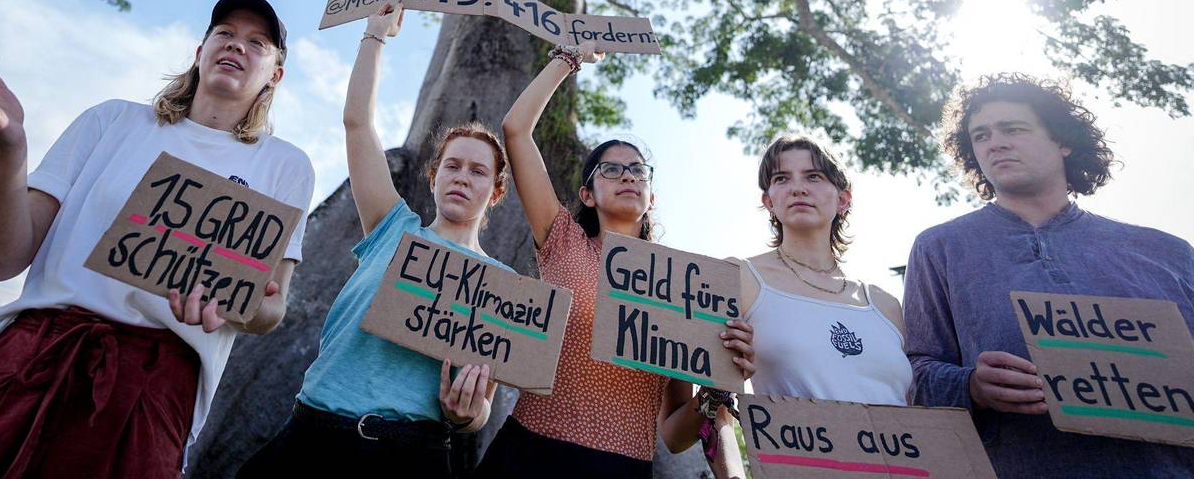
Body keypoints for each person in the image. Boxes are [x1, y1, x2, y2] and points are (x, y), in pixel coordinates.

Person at [0, 0, 315, 479]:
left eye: (257, 43)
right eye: (224, 33)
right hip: (30, 355)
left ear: (275, 75)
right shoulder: (112, 120)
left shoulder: (285, 166)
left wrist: (230, 304)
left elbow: (271, 309)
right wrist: (6, 149)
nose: (236, 45)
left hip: (152, 389)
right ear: (200, 51)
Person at [239, 2, 506, 477]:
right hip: (310, 438)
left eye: (478, 171)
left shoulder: (501, 284)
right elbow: (357, 124)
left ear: (496, 191)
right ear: (433, 177)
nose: (462, 177)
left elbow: (482, 403)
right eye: (452, 165)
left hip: (412, 455)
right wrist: (375, 36)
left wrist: (467, 414)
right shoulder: (391, 228)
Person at [474, 43, 756, 479]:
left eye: (638, 170)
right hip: (527, 452)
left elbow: (675, 435)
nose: (627, 175)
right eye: (611, 169)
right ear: (587, 194)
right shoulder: (562, 240)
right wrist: (567, 59)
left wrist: (714, 392)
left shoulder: (680, 286)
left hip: (622, 468)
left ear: (651, 196)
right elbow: (516, 130)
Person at [903, 73, 1194, 478]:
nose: (995, 143)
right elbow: (916, 374)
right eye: (980, 135)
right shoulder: (940, 248)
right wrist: (971, 387)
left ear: (1063, 141)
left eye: (1013, 129)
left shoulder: (1168, 253)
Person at [703, 134, 911, 478]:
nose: (798, 188)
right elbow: (702, 414)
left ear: (843, 198)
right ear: (768, 201)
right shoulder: (738, 278)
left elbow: (920, 415)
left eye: (813, 176)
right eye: (782, 178)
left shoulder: (886, 305)